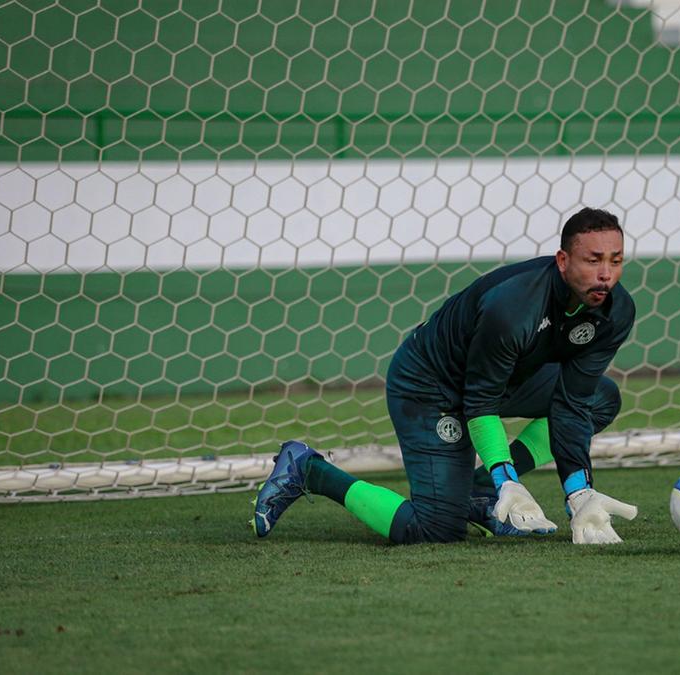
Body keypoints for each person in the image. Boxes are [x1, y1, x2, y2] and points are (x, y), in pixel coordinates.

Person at [251, 207, 638, 544]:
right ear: (562, 260)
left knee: (599, 397)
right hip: (431, 386)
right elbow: (480, 403)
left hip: (506, 381)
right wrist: (508, 479)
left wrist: (578, 494)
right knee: (436, 527)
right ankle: (309, 470)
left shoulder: (616, 312)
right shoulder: (513, 308)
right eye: (593, 260)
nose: (606, 274)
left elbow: (571, 404)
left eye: (616, 260)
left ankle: (482, 494)